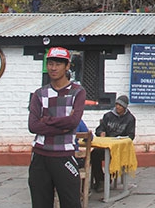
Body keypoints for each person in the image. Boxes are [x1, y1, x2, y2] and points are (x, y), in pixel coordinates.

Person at [28, 47, 86, 208]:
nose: (53, 68)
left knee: (71, 202)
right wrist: (62, 125)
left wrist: (45, 120)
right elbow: (33, 126)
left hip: (64, 154)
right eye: (51, 64)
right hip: (40, 156)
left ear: (67, 66)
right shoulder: (39, 94)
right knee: (40, 203)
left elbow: (73, 122)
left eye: (58, 64)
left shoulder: (77, 92)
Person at [91, 95, 135, 193]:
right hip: (106, 146)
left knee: (114, 158)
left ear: (125, 107)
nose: (118, 107)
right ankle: (101, 180)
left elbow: (131, 135)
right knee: (93, 154)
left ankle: (108, 179)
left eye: (120, 105)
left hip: (119, 148)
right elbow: (99, 129)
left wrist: (122, 139)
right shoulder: (108, 116)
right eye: (117, 105)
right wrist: (101, 133)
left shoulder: (130, 119)